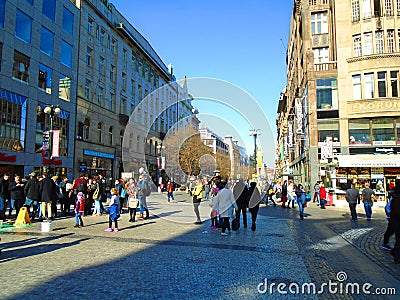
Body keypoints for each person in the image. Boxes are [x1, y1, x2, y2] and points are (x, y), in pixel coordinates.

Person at [389, 179, 400, 263]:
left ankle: (396, 254)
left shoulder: (393, 195)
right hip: (396, 218)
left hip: (394, 219)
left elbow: (388, 208)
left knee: (398, 238)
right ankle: (396, 254)